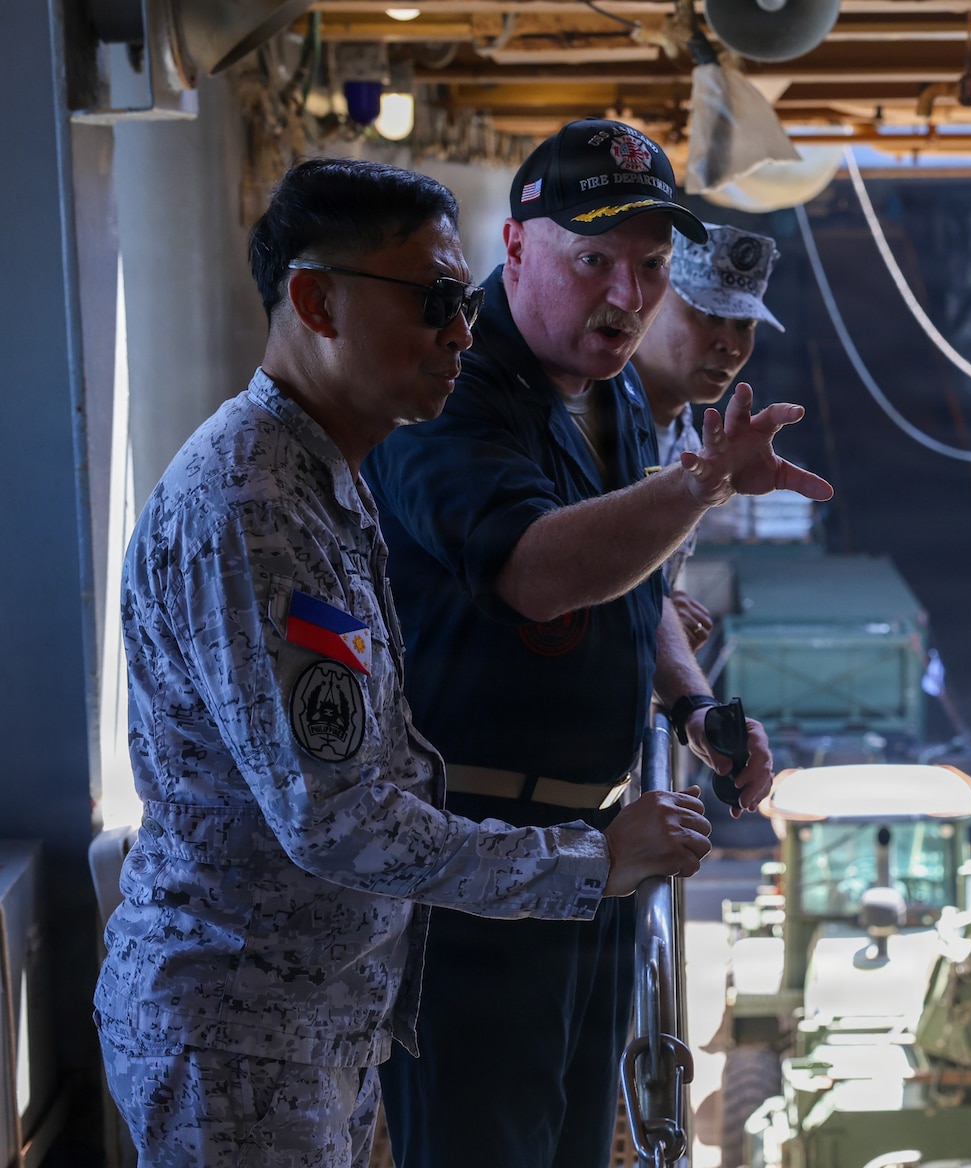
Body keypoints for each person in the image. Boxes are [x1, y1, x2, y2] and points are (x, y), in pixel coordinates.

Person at [93, 157, 712, 1168]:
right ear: (315, 302)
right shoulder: (253, 507)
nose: (461, 333)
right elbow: (339, 821)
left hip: (309, 1017)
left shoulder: (320, 481)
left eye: (462, 305)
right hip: (241, 1029)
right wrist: (591, 862)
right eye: (432, 303)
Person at [362, 119, 833, 1168]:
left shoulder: (609, 387)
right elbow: (535, 572)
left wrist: (690, 704)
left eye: (651, 267)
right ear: (516, 247)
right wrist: (700, 485)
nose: (627, 295)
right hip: (474, 875)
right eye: (594, 262)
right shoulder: (452, 387)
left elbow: (632, 583)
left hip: (595, 863)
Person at [632, 222, 785, 650]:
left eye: (745, 325)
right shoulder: (586, 414)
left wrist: (663, 603)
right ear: (650, 301)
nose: (731, 346)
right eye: (711, 316)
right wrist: (652, 611)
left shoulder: (689, 443)